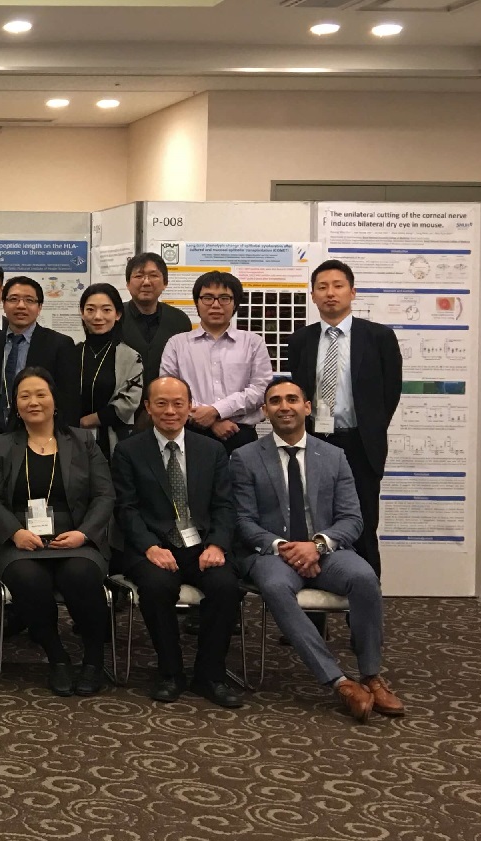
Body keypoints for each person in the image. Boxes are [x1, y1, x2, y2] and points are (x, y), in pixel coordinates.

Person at [230, 377, 403, 723]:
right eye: (275, 401)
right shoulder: (244, 458)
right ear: (264, 412)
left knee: (365, 577)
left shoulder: (334, 456)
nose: (284, 407)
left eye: (292, 399)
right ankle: (338, 681)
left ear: (307, 407)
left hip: (327, 551)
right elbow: (243, 520)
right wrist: (286, 548)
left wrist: (317, 546)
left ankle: (371, 674)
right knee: (275, 586)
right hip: (271, 553)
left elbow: (352, 519)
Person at [111, 376, 244, 708]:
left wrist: (217, 545)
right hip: (153, 545)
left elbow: (224, 505)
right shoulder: (129, 450)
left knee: (226, 586)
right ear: (148, 407)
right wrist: (149, 547)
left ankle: (210, 674)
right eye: (161, 403)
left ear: (190, 407)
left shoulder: (211, 450)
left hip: (202, 544)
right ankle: (170, 672)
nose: (170, 411)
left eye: (178, 404)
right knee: (157, 587)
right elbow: (126, 508)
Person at [0, 368, 112, 697]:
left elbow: (104, 495)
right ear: (15, 405)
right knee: (29, 579)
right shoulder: (0, 444)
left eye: (41, 394)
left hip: (75, 537)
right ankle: (58, 657)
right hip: (20, 539)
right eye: (24, 396)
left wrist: (84, 533)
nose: (33, 402)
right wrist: (15, 532)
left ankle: (94, 661)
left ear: (55, 400)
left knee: (81, 575)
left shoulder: (83, 441)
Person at [285, 259, 402, 578]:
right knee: (312, 523)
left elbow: (390, 393)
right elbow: (300, 393)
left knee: (363, 524)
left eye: (338, 286)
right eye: (322, 287)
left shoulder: (378, 337)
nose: (330, 293)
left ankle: (365, 604)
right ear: (313, 295)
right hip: (315, 442)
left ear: (352, 292)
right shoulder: (300, 340)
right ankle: (315, 603)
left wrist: (369, 430)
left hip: (359, 444)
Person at [160, 270, 272, 453]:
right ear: (197, 302)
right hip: (191, 433)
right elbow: (169, 390)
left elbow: (261, 390)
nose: (216, 305)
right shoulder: (177, 344)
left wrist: (216, 411)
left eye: (224, 298)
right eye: (208, 298)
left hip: (240, 433)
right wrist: (211, 421)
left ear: (235, 303)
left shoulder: (253, 342)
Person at [0, 273, 79, 436]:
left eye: (29, 300)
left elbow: (69, 401)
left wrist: (65, 439)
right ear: (3, 304)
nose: (21, 306)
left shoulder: (60, 345)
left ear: (39, 307)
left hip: (43, 436)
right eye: (13, 299)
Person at [73, 284, 144, 458]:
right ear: (82, 313)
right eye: (90, 310)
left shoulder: (131, 357)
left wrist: (87, 421)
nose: (98, 316)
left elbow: (129, 402)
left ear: (117, 314)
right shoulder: (71, 352)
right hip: (71, 438)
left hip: (113, 440)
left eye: (106, 310)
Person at [120, 252, 192, 394]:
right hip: (121, 402)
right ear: (127, 284)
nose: (146, 282)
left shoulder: (180, 320)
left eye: (153, 275)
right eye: (139, 276)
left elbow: (185, 368)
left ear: (165, 283)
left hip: (166, 402)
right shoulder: (114, 318)